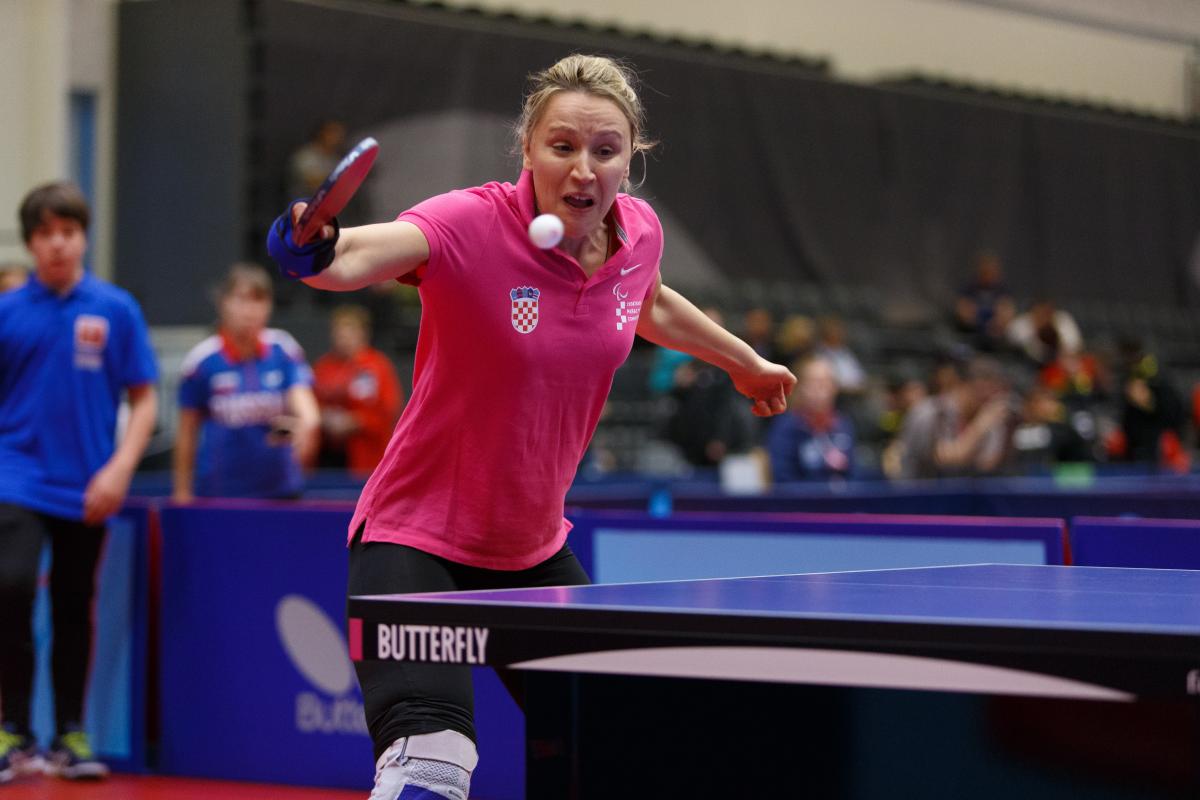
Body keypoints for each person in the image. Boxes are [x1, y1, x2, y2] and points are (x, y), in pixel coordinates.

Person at [266, 53, 796, 800]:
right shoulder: (471, 222)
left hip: (530, 554)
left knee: (618, 748)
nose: (584, 168)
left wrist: (742, 362)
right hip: (416, 540)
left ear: (631, 160)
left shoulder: (638, 234)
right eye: (563, 146)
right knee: (431, 763)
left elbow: (650, 302)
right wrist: (310, 246)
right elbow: (353, 255)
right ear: (528, 150)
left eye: (605, 151)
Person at [0, 181, 158, 782]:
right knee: (10, 589)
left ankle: (68, 732)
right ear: (33, 242)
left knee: (73, 605)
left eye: (67, 232)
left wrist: (119, 469)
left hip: (88, 483)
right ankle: (13, 729)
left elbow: (143, 400)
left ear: (83, 237)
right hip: (14, 476)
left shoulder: (115, 308)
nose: (57, 244)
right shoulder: (8, 312)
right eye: (45, 234)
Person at [172, 263, 319, 501]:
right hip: (221, 495)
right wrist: (181, 492)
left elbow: (302, 398)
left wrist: (308, 421)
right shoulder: (201, 362)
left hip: (281, 493)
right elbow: (187, 432)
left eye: (258, 300)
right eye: (241, 300)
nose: (250, 310)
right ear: (223, 303)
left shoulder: (283, 349)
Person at [312, 304, 404, 475]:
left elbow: (388, 411)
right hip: (327, 454)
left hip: (365, 456)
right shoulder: (323, 366)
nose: (344, 339)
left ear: (364, 334)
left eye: (350, 333)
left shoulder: (377, 365)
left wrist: (356, 422)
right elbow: (311, 404)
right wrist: (324, 418)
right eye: (340, 333)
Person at [895, 357, 1013, 480]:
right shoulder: (928, 413)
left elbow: (986, 464)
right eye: (989, 391)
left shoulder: (988, 415)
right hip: (918, 494)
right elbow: (945, 460)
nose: (994, 399)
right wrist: (980, 427)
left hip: (965, 496)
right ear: (968, 385)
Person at [766, 356, 855, 482]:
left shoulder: (843, 425)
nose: (820, 389)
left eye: (826, 382)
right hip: (802, 500)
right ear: (800, 388)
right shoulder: (786, 428)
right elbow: (783, 480)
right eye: (813, 382)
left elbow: (853, 475)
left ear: (835, 388)